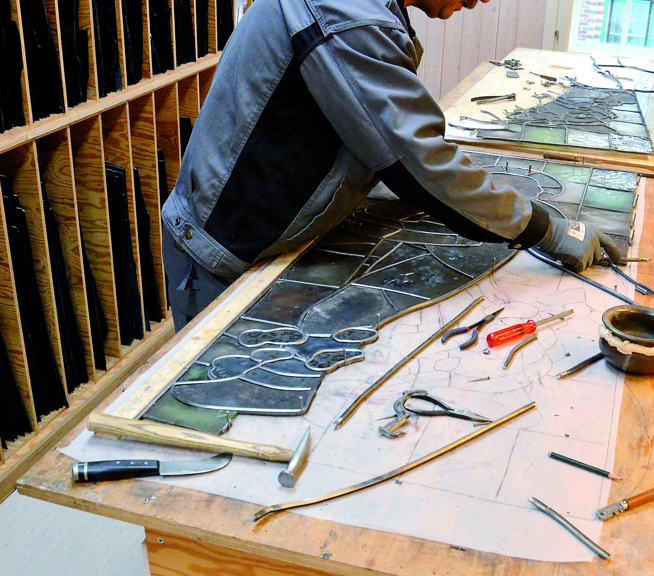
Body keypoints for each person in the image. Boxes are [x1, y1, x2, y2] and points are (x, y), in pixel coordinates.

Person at [162, 0, 619, 331]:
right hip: (219, 260)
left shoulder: (369, 10)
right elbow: (418, 162)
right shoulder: (348, 17)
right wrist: (544, 229)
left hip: (267, 247)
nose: (480, 1)